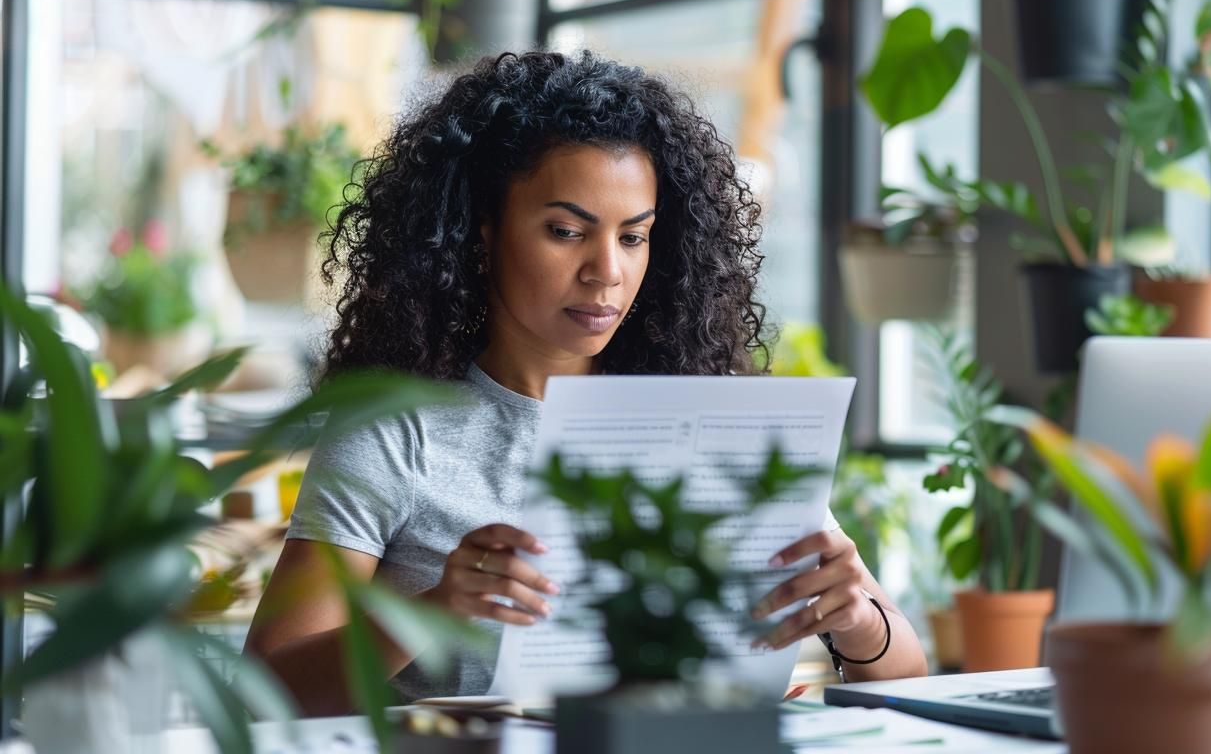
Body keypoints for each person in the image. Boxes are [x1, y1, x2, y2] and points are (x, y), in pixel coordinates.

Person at [245, 51, 927, 716]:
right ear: (480, 232)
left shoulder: (704, 418)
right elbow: (268, 688)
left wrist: (859, 622)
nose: (607, 270)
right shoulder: (395, 431)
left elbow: (908, 670)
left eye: (634, 237)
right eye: (567, 231)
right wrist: (430, 613)